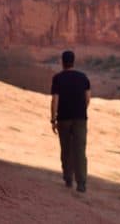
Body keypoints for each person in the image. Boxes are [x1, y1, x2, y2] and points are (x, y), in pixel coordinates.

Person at [50, 49, 91, 192]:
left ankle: (68, 178)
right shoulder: (83, 77)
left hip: (64, 118)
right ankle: (81, 183)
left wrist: (53, 119)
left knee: (66, 149)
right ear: (73, 61)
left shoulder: (58, 78)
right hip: (80, 118)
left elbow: (55, 100)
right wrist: (81, 109)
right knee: (80, 150)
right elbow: (87, 98)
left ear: (62, 62)